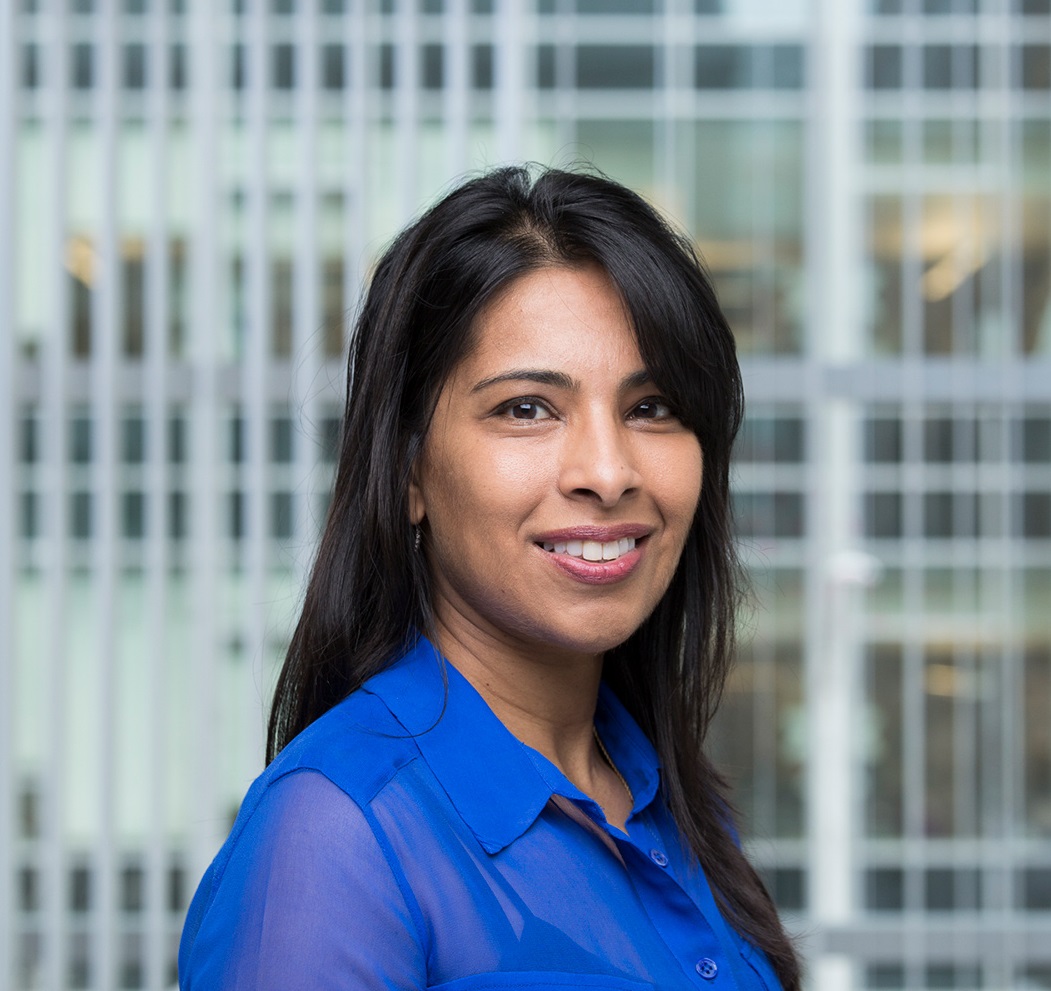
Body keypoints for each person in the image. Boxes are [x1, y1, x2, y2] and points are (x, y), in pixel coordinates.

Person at [178, 166, 801, 991]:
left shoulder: (668, 803)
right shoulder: (334, 837)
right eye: (526, 408)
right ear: (407, 470)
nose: (608, 471)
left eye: (650, 407)